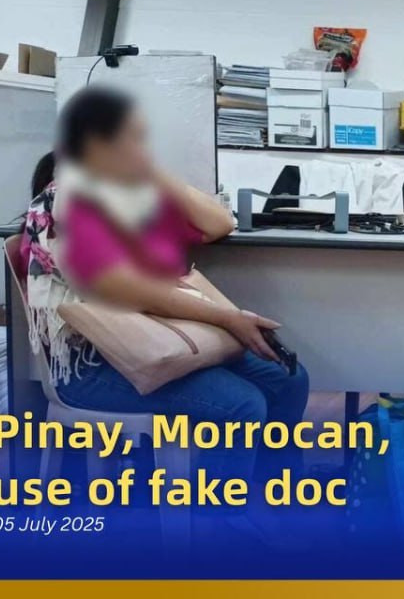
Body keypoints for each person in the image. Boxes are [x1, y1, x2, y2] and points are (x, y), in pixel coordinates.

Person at [20, 87, 309, 538]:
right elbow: (131, 293)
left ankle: (267, 492)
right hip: (94, 367)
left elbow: (219, 223)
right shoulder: (62, 206)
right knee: (241, 404)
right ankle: (219, 522)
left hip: (159, 337)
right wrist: (226, 318)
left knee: (288, 378)